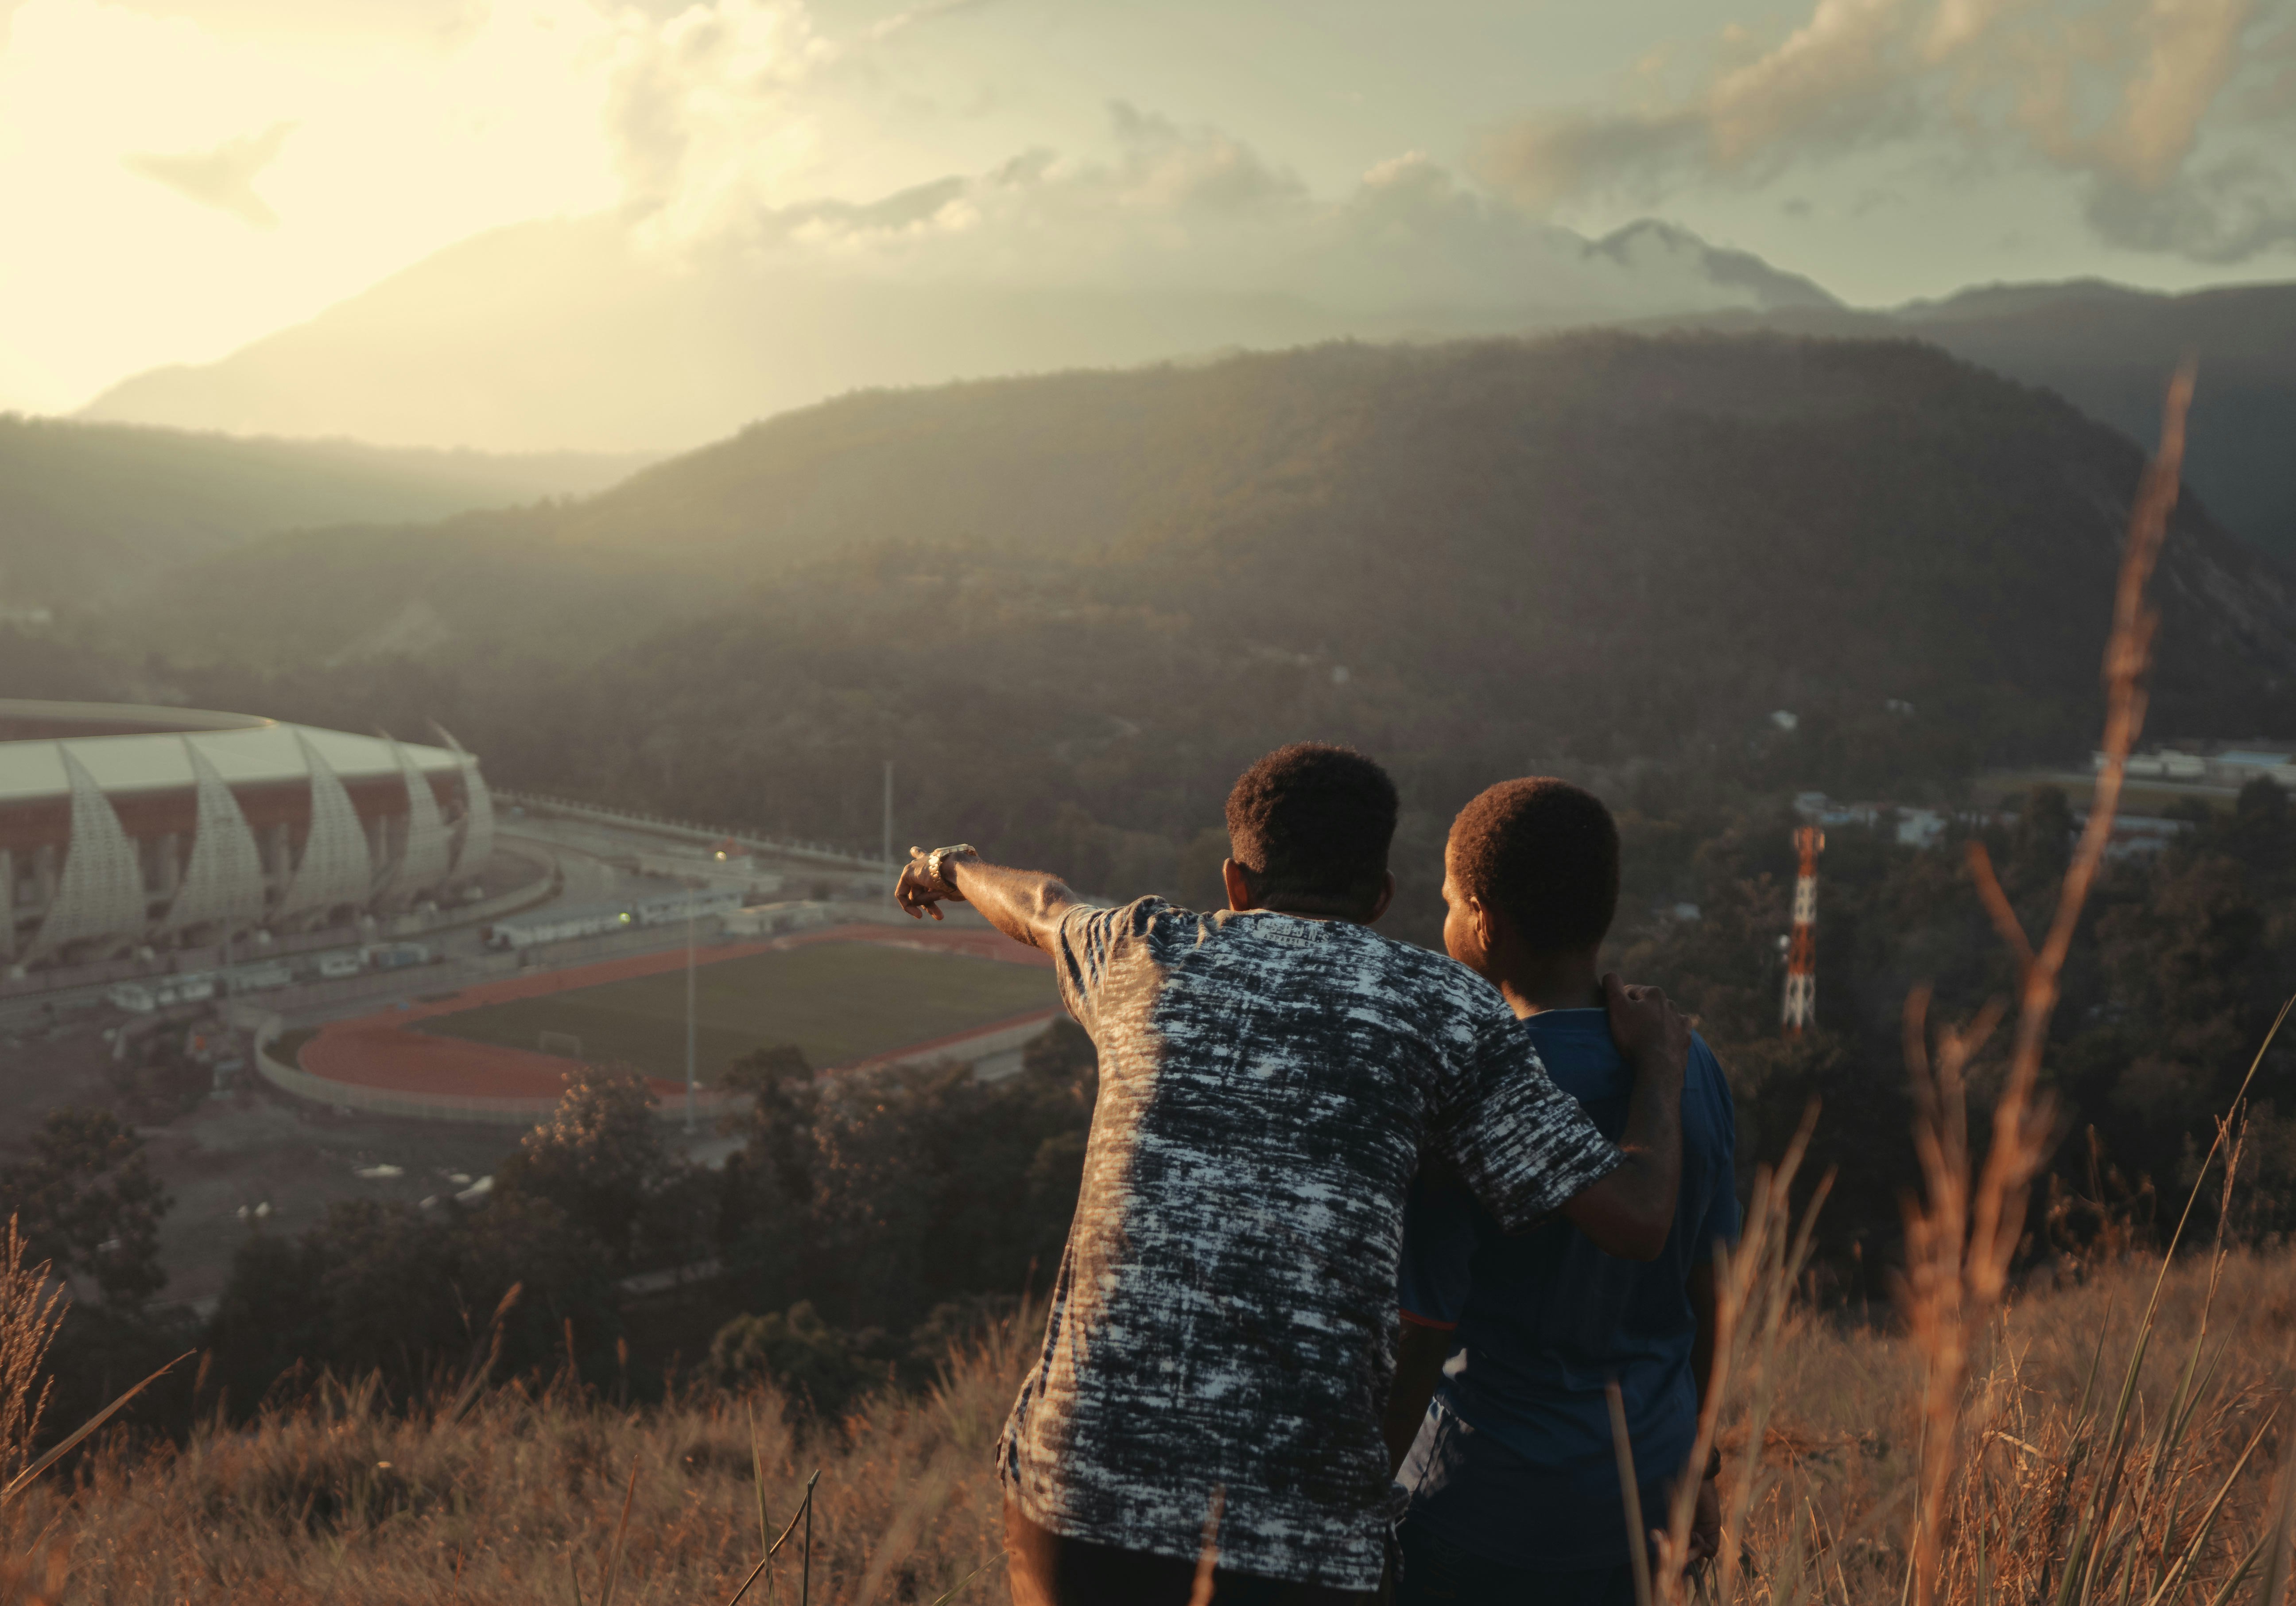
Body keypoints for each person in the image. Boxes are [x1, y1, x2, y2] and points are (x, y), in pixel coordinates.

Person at [892, 743, 1692, 1606]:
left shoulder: (1143, 949)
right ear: (1382, 897)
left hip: (1083, 1482)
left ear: (1236, 882)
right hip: (1302, 1520)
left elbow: (1040, 903)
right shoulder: (1446, 1010)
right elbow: (1639, 1219)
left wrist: (948, 866)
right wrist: (1660, 1070)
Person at [1385, 778, 1740, 1606]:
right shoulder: (1693, 1068)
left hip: (1483, 1511)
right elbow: (1714, 1289)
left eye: (1445, 903)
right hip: (1645, 1502)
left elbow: (1423, 1329)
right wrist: (1696, 1459)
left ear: (1483, 920)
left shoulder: (1464, 1088)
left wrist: (1353, 1504)